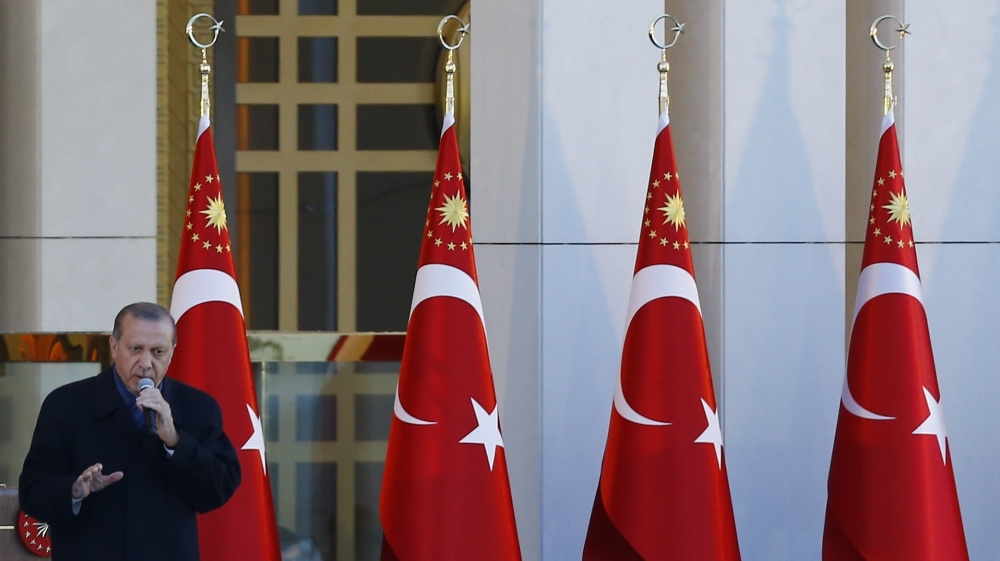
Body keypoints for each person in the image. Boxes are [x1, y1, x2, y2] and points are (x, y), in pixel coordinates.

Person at [18, 302, 241, 560]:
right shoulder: (66, 404)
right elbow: (32, 490)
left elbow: (220, 488)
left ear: (172, 352)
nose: (145, 363)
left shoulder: (197, 407)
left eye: (158, 352)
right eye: (135, 349)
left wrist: (176, 443)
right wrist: (73, 491)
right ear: (114, 346)